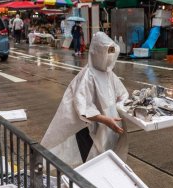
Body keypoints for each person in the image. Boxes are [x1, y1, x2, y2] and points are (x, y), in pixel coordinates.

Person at [41, 32, 129, 167]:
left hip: (103, 125)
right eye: (107, 52)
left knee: (103, 160)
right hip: (86, 128)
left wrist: (120, 105)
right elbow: (83, 108)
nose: (110, 57)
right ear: (97, 52)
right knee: (91, 163)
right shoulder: (88, 75)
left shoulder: (108, 73)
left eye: (112, 52)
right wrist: (105, 119)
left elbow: (121, 93)